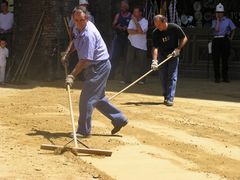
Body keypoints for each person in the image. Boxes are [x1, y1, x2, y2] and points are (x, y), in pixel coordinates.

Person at [64, 6, 128, 137]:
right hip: (96, 67)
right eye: (76, 20)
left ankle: (83, 131)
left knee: (86, 99)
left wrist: (72, 76)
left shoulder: (89, 35)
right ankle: (119, 119)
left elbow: (85, 60)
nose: (78, 22)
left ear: (86, 18)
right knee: (97, 99)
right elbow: (74, 40)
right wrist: (67, 53)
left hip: (99, 67)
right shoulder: (77, 28)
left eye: (81, 20)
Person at [151, 15, 188, 106]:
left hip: (173, 55)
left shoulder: (174, 28)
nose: (157, 27)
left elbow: (184, 38)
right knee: (163, 76)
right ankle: (166, 95)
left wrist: (178, 49)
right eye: (156, 25)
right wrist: (154, 61)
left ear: (164, 22)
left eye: (159, 25)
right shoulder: (155, 32)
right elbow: (155, 47)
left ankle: (170, 98)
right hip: (162, 55)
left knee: (172, 76)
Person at [123, 6, 148, 84]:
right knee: (128, 62)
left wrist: (136, 22)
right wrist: (138, 31)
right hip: (131, 43)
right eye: (134, 12)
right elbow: (129, 31)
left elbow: (141, 30)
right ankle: (127, 79)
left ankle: (141, 80)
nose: (134, 14)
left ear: (140, 13)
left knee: (141, 63)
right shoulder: (131, 21)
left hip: (141, 45)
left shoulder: (145, 21)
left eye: (136, 12)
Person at [211, 3, 236, 83]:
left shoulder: (228, 20)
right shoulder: (214, 21)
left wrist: (231, 38)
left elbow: (233, 29)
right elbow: (217, 30)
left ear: (223, 12)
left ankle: (225, 77)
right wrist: (218, 20)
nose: (219, 14)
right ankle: (217, 77)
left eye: (220, 12)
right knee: (216, 59)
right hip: (216, 40)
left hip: (225, 40)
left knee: (225, 59)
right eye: (217, 12)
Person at [109, 0, 131, 79]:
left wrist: (127, 28)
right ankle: (111, 75)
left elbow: (134, 27)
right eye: (122, 6)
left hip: (128, 39)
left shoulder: (131, 16)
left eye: (124, 6)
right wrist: (118, 27)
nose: (123, 8)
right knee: (115, 57)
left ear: (128, 7)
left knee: (126, 58)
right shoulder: (118, 15)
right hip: (119, 38)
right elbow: (113, 26)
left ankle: (125, 76)